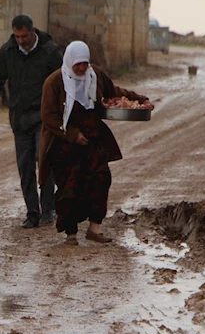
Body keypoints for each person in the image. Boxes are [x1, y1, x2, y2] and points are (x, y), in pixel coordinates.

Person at [39, 40, 152, 245]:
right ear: (70, 61)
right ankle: (71, 233)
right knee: (69, 185)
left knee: (101, 178)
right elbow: (49, 116)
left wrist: (141, 99)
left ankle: (95, 228)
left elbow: (113, 91)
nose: (82, 68)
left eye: (85, 63)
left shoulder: (95, 75)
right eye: (78, 64)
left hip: (93, 139)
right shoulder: (54, 82)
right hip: (64, 143)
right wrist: (73, 134)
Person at [0, 14, 63, 228]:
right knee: (25, 166)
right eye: (17, 36)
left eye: (24, 36)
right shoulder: (7, 52)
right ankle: (32, 212)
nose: (21, 41)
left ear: (32, 31)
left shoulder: (50, 52)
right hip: (19, 119)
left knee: (43, 160)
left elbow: (64, 82)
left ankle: (48, 208)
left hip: (44, 117)